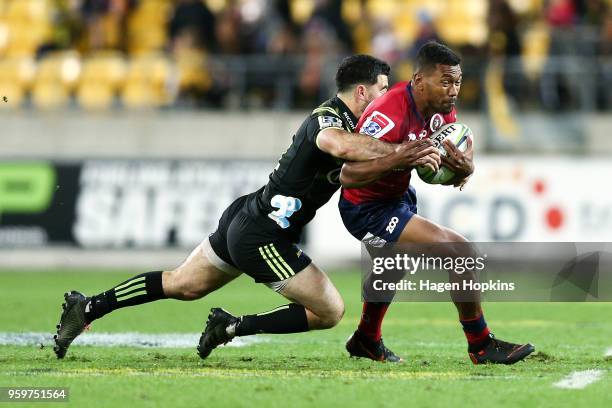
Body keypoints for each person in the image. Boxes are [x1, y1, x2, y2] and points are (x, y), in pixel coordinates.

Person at [53, 54, 441, 359]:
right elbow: (339, 147)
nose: (388, 98)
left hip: (250, 214)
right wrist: (404, 151)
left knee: (183, 285)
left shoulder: (364, 127)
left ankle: (87, 308)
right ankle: (231, 327)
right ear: (361, 93)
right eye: (382, 90)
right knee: (330, 311)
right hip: (264, 236)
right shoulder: (329, 117)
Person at [338, 42, 535, 364]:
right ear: (418, 81)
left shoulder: (443, 112)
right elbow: (348, 175)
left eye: (457, 82)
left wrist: (463, 168)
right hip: (365, 207)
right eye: (445, 82)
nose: (453, 90)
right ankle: (481, 344)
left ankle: (365, 339)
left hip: (396, 197)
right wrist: (399, 157)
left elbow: (448, 163)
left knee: (394, 266)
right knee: (460, 251)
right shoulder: (387, 115)